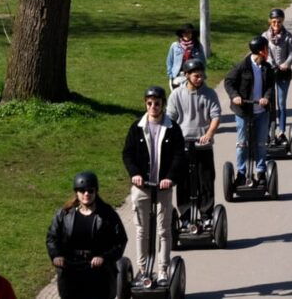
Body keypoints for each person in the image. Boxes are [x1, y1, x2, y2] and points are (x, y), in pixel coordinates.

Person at [122, 86, 185, 285]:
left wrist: (170, 177)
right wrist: (135, 175)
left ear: (162, 104)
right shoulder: (136, 127)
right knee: (142, 231)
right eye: (149, 103)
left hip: (163, 187)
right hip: (142, 188)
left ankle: (163, 271)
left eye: (157, 103)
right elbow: (128, 154)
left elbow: (179, 155)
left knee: (163, 230)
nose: (153, 107)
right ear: (145, 104)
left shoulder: (172, 128)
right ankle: (143, 269)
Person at [46, 171, 128, 299]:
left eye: (90, 190)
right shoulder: (64, 214)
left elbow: (120, 240)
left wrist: (104, 257)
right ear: (76, 192)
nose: (86, 194)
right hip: (71, 269)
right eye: (82, 190)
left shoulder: (107, 214)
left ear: (96, 191)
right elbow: (52, 237)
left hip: (99, 272)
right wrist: (56, 255)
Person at [167, 58, 221, 223]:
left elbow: (215, 116)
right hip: (183, 146)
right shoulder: (177, 94)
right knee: (183, 183)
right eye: (196, 76)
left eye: (202, 75)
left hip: (203, 145)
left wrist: (209, 134)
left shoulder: (210, 93)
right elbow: (170, 119)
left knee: (206, 181)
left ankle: (206, 216)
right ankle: (184, 216)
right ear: (187, 75)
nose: (200, 78)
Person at [224, 36, 274, 187]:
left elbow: (270, 86)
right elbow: (228, 82)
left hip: (261, 111)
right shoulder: (242, 66)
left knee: (260, 143)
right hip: (243, 111)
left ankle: (260, 171)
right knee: (242, 144)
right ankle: (241, 172)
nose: (267, 51)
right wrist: (235, 96)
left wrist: (266, 97)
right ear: (260, 50)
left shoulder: (267, 68)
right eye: (266, 48)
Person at [262, 9, 292, 144]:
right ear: (270, 21)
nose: (276, 24)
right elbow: (265, 53)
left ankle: (281, 132)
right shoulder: (265, 36)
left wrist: (285, 64)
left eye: (279, 21)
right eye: (274, 21)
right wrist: (271, 63)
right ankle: (269, 132)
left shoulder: (288, 36)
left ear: (283, 21)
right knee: (270, 104)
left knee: (281, 103)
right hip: (270, 72)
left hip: (283, 74)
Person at [166, 23, 206, 90]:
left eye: (189, 32)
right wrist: (170, 75)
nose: (186, 34)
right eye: (184, 32)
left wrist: (201, 75)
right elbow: (169, 61)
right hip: (178, 75)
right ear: (181, 34)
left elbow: (203, 62)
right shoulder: (175, 45)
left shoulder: (198, 46)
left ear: (192, 34)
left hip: (193, 75)